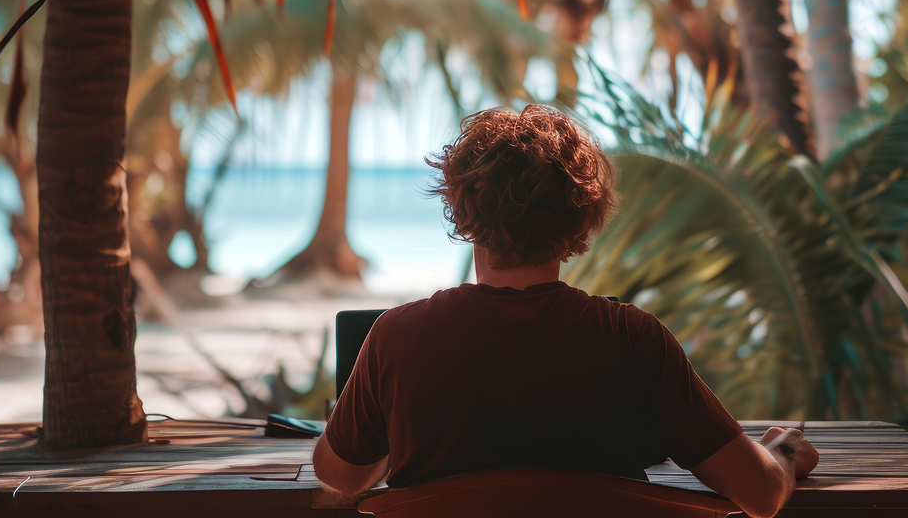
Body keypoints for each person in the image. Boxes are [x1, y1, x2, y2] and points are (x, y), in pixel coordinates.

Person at [313, 105, 818, 518]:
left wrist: (379, 417)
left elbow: (340, 477)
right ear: (582, 217)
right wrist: (785, 453)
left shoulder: (399, 337)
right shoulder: (632, 339)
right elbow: (761, 494)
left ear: (462, 210)